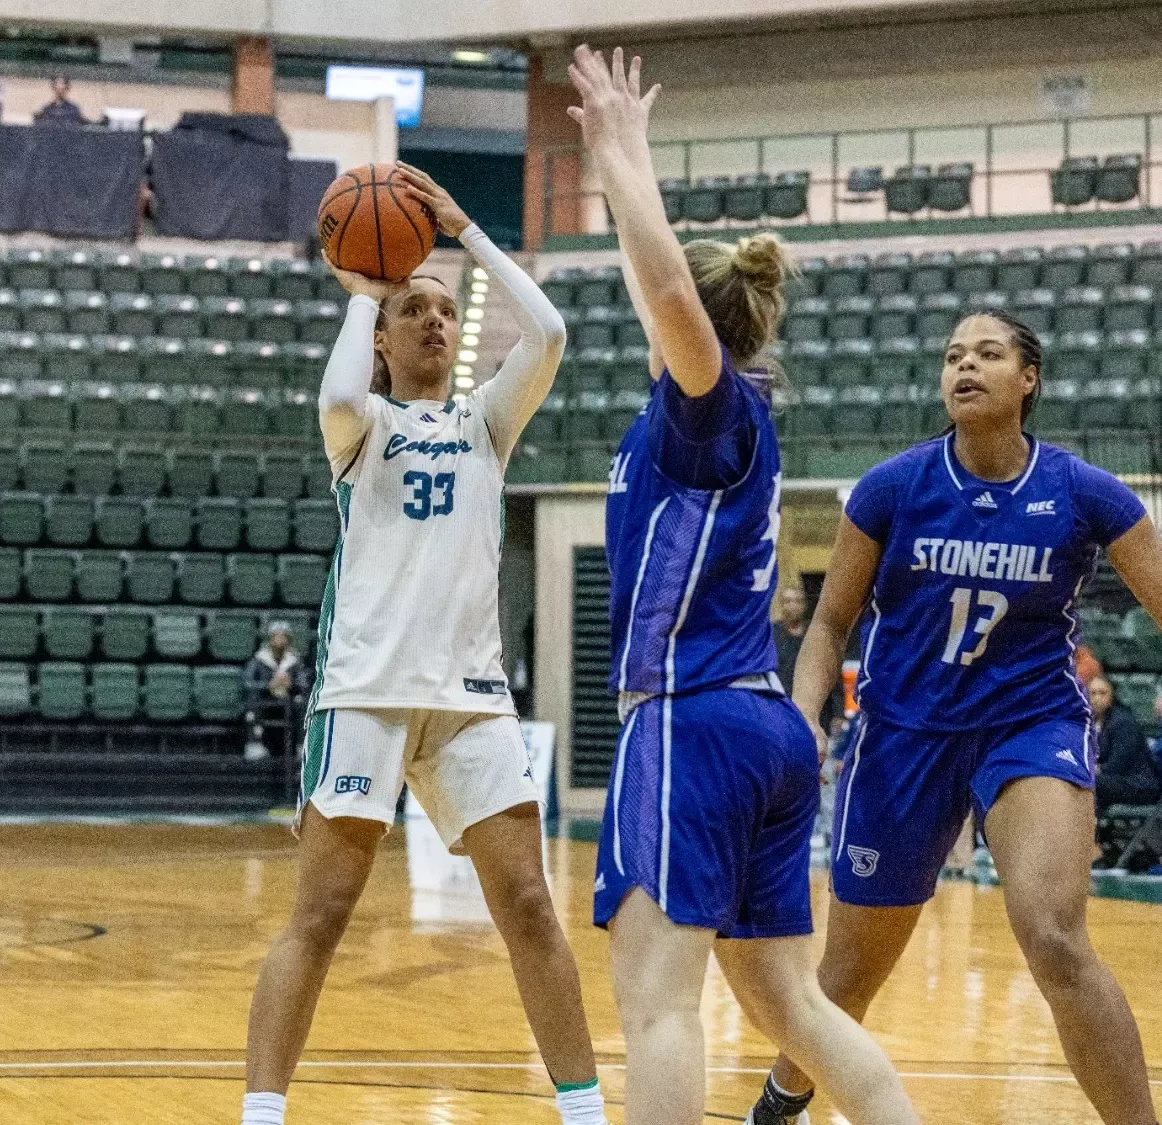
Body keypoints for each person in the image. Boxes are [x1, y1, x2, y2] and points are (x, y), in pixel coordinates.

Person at [742, 304, 1162, 1125]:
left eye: (988, 354)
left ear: (1027, 379)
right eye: (953, 355)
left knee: (1055, 936)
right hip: (904, 733)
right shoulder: (893, 488)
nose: (964, 366)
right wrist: (802, 715)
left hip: (1030, 725)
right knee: (850, 973)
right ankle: (784, 1097)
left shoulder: (1081, 491)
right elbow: (828, 624)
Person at [568, 46, 920, 1125]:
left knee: (659, 1007)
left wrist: (625, 150)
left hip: (692, 723)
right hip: (761, 730)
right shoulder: (721, 405)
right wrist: (613, 176)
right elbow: (658, 284)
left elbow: (667, 283)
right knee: (791, 1008)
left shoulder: (704, 409)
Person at [241, 164, 611, 1125]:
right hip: (364, 693)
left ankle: (583, 1112)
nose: (435, 321)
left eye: (445, 309)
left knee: (528, 905)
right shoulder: (360, 427)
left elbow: (553, 333)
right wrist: (363, 289)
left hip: (470, 702)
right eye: (414, 309)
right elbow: (332, 391)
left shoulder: (488, 421)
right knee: (319, 916)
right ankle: (261, 1113)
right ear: (386, 335)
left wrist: (466, 234)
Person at [242, 621, 308, 761]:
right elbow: (248, 682)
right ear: (270, 639)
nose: (280, 640)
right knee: (252, 703)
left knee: (303, 704)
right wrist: (268, 685)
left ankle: (301, 745)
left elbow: (303, 683)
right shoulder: (259, 660)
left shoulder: (295, 661)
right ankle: (254, 744)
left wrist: (290, 684)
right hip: (266, 699)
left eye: (283, 636)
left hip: (288, 700)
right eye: (276, 636)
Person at [1090, 677, 1158, 810]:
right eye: (1092, 693)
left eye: (1103, 693)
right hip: (1110, 781)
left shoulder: (1123, 723)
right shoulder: (1086, 723)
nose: (1097, 698)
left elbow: (1117, 765)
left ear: (1112, 697)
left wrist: (1090, 770)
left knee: (1089, 782)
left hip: (1137, 784)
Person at [774, 586, 809, 686]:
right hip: (779, 697)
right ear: (781, 604)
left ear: (804, 605)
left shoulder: (814, 635)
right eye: (788, 601)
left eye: (798, 601)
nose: (793, 606)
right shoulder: (771, 634)